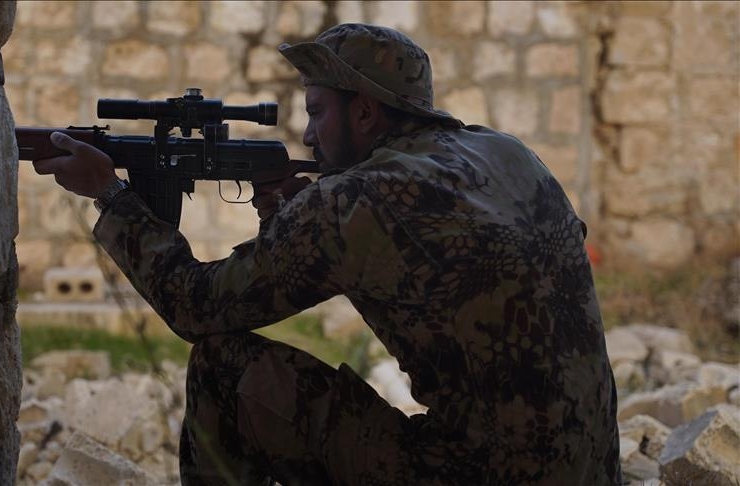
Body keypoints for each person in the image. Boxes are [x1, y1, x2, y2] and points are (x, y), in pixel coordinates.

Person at [34, 24, 621, 486]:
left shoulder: (355, 201)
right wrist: (292, 219)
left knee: (224, 367)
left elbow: (196, 306)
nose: (309, 136)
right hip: (589, 472)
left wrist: (111, 195)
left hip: (476, 476)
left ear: (364, 111)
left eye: (317, 111)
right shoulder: (507, 154)